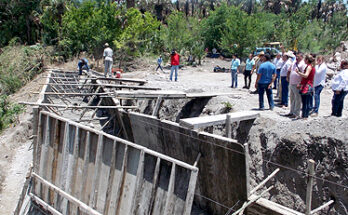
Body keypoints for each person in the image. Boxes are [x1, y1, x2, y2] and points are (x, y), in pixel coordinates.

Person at [286, 52, 306, 119]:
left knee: (297, 99)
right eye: (296, 56)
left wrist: (300, 83)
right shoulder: (294, 63)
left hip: (297, 84)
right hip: (292, 83)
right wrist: (288, 77)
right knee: (292, 98)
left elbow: (303, 75)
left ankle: (296, 113)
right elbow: (290, 70)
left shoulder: (303, 64)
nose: (297, 58)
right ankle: (291, 111)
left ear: (301, 57)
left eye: (298, 57)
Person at [296, 55, 316, 119]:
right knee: (304, 101)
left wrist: (298, 73)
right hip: (306, 85)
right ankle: (304, 115)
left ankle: (305, 115)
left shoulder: (309, 67)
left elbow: (306, 75)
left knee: (306, 102)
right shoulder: (310, 66)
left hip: (307, 85)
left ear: (307, 60)